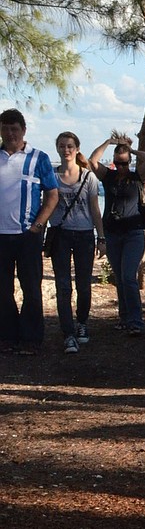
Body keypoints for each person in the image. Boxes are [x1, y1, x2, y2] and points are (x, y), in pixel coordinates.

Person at [0, 108, 58, 355]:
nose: (10, 133)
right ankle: (7, 336)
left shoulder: (39, 158)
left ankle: (31, 339)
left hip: (27, 235)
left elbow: (52, 195)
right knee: (2, 289)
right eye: (5, 129)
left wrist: (38, 225)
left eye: (14, 129)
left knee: (31, 288)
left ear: (24, 130)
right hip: (1, 236)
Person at [89, 133, 145, 336]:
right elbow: (92, 161)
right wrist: (109, 143)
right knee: (119, 276)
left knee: (128, 277)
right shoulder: (107, 177)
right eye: (118, 163)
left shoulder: (137, 177)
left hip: (134, 233)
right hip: (112, 233)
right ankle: (124, 318)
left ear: (130, 162)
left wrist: (130, 148)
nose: (121, 167)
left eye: (125, 163)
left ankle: (136, 321)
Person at [48, 132, 106, 354]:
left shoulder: (88, 177)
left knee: (83, 285)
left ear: (77, 148)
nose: (66, 150)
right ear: (58, 149)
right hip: (60, 235)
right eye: (62, 146)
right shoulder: (52, 177)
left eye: (70, 146)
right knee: (63, 286)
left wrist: (101, 238)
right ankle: (68, 333)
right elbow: (48, 206)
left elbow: (94, 208)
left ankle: (82, 323)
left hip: (84, 235)